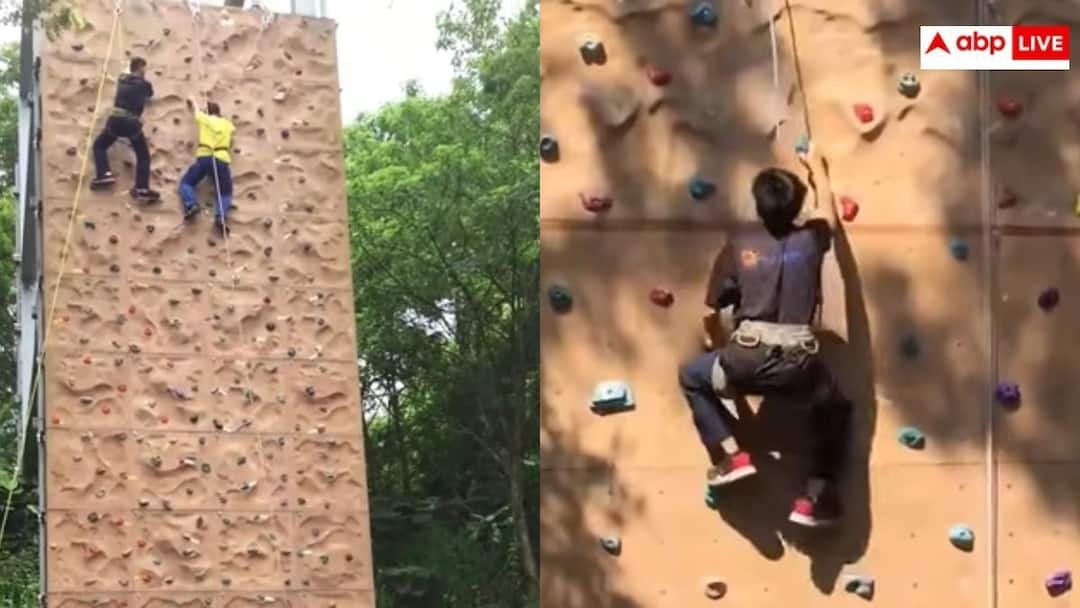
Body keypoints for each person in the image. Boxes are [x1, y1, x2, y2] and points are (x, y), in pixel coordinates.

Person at [678, 146, 853, 528]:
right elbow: (828, 213)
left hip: (744, 358)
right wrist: (817, 166)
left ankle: (732, 456)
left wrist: (717, 346)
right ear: (798, 206)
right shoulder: (811, 238)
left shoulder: (739, 244)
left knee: (692, 376)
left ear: (758, 207)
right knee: (835, 407)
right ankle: (816, 496)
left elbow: (714, 310)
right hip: (798, 367)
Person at [90, 56, 160, 201]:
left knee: (99, 146)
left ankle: (104, 174)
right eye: (144, 69)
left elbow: (125, 74)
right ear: (141, 69)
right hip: (131, 123)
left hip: (115, 121)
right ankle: (141, 187)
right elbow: (150, 94)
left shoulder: (122, 80)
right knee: (143, 155)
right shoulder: (144, 84)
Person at [178, 97, 236, 233]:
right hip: (221, 158)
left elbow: (196, 111)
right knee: (225, 191)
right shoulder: (227, 124)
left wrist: (193, 101)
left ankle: (191, 204)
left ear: (208, 112)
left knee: (186, 183)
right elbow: (232, 136)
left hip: (205, 157)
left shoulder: (204, 119)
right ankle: (220, 216)